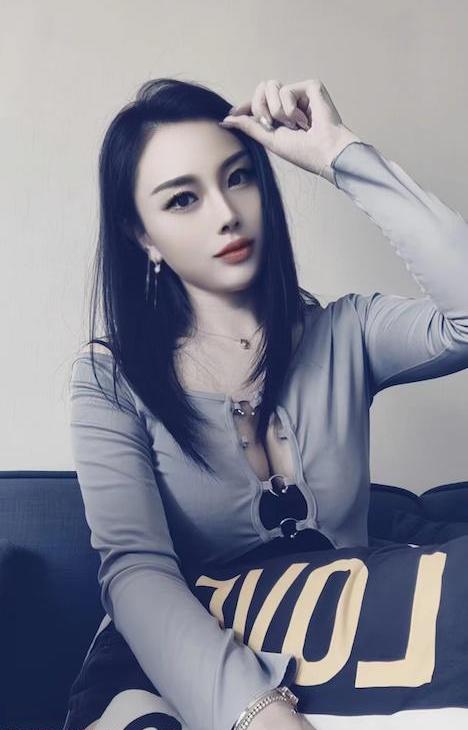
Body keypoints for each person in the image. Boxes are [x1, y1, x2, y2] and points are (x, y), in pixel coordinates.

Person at [62, 77, 468, 730]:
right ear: (142, 235)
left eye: (239, 178)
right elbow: (136, 571)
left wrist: (340, 154)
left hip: (342, 636)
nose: (225, 212)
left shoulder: (347, 333)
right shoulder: (111, 377)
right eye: (184, 199)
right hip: (179, 661)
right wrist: (258, 711)